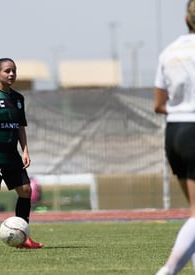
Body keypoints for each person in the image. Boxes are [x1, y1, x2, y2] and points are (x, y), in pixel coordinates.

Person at [0, 58, 43, 250]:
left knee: (26, 191)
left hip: (12, 155)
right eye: (7, 71)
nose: (11, 74)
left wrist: (25, 149)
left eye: (13, 71)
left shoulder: (18, 99)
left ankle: (23, 237)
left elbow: (20, 126)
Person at [154, 1, 195, 274]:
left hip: (176, 132)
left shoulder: (170, 51)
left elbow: (159, 104)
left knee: (194, 212)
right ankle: (168, 270)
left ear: (185, 19)